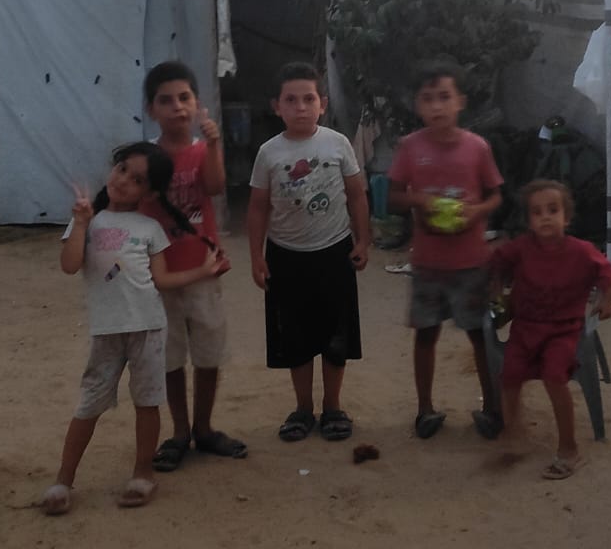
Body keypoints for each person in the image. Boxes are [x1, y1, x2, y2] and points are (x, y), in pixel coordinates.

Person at [42, 142, 229, 516]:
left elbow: (161, 279)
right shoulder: (88, 220)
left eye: (137, 179)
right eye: (122, 169)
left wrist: (203, 272)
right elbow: (69, 264)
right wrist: (79, 223)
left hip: (148, 327)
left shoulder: (149, 227)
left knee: (147, 403)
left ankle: (143, 473)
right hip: (106, 332)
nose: (124, 180)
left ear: (152, 193)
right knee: (88, 405)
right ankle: (63, 479)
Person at [246, 62, 371, 443]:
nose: (300, 107)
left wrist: (363, 240)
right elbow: (257, 207)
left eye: (308, 99)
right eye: (291, 100)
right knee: (296, 338)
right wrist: (257, 256)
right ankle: (303, 409)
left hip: (334, 252)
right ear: (276, 106)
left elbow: (355, 194)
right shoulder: (269, 152)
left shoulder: (337, 143)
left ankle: (333, 407)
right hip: (286, 257)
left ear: (323, 103)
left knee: (336, 337)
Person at [387, 62, 504, 439]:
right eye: (427, 99)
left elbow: (496, 196)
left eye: (444, 97)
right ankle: (425, 410)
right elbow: (391, 198)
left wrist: (476, 212)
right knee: (426, 334)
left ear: (460, 102)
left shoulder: (477, 148)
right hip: (427, 264)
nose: (437, 106)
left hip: (471, 262)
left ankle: (491, 407)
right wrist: (418, 198)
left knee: (478, 336)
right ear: (417, 106)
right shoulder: (410, 148)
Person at [140, 61, 247, 472]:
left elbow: (217, 188)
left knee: (207, 355)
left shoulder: (203, 150)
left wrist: (215, 145)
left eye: (184, 98)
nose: (176, 107)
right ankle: (180, 432)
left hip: (205, 270)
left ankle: (203, 428)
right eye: (165, 101)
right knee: (169, 359)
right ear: (151, 109)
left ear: (197, 103)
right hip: (160, 277)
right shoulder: (145, 158)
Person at [489, 180, 611, 480]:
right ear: (529, 220)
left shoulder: (581, 251)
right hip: (525, 328)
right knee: (508, 376)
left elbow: (607, 272)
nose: (545, 217)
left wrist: (605, 299)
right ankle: (514, 432)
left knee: (554, 377)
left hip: (563, 329)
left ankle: (569, 447)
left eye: (553, 210)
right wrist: (495, 286)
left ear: (566, 217)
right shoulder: (521, 248)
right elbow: (496, 262)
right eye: (537, 212)